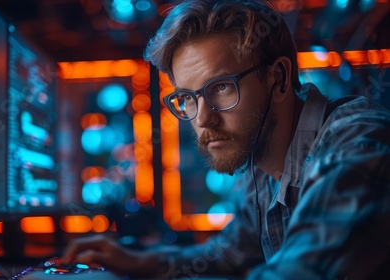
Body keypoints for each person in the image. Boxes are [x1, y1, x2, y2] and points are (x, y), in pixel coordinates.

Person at [63, 0, 390, 278]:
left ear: (278, 78)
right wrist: (141, 261)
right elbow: (228, 254)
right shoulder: (261, 164)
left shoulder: (356, 141)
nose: (203, 118)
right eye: (188, 98)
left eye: (220, 87)